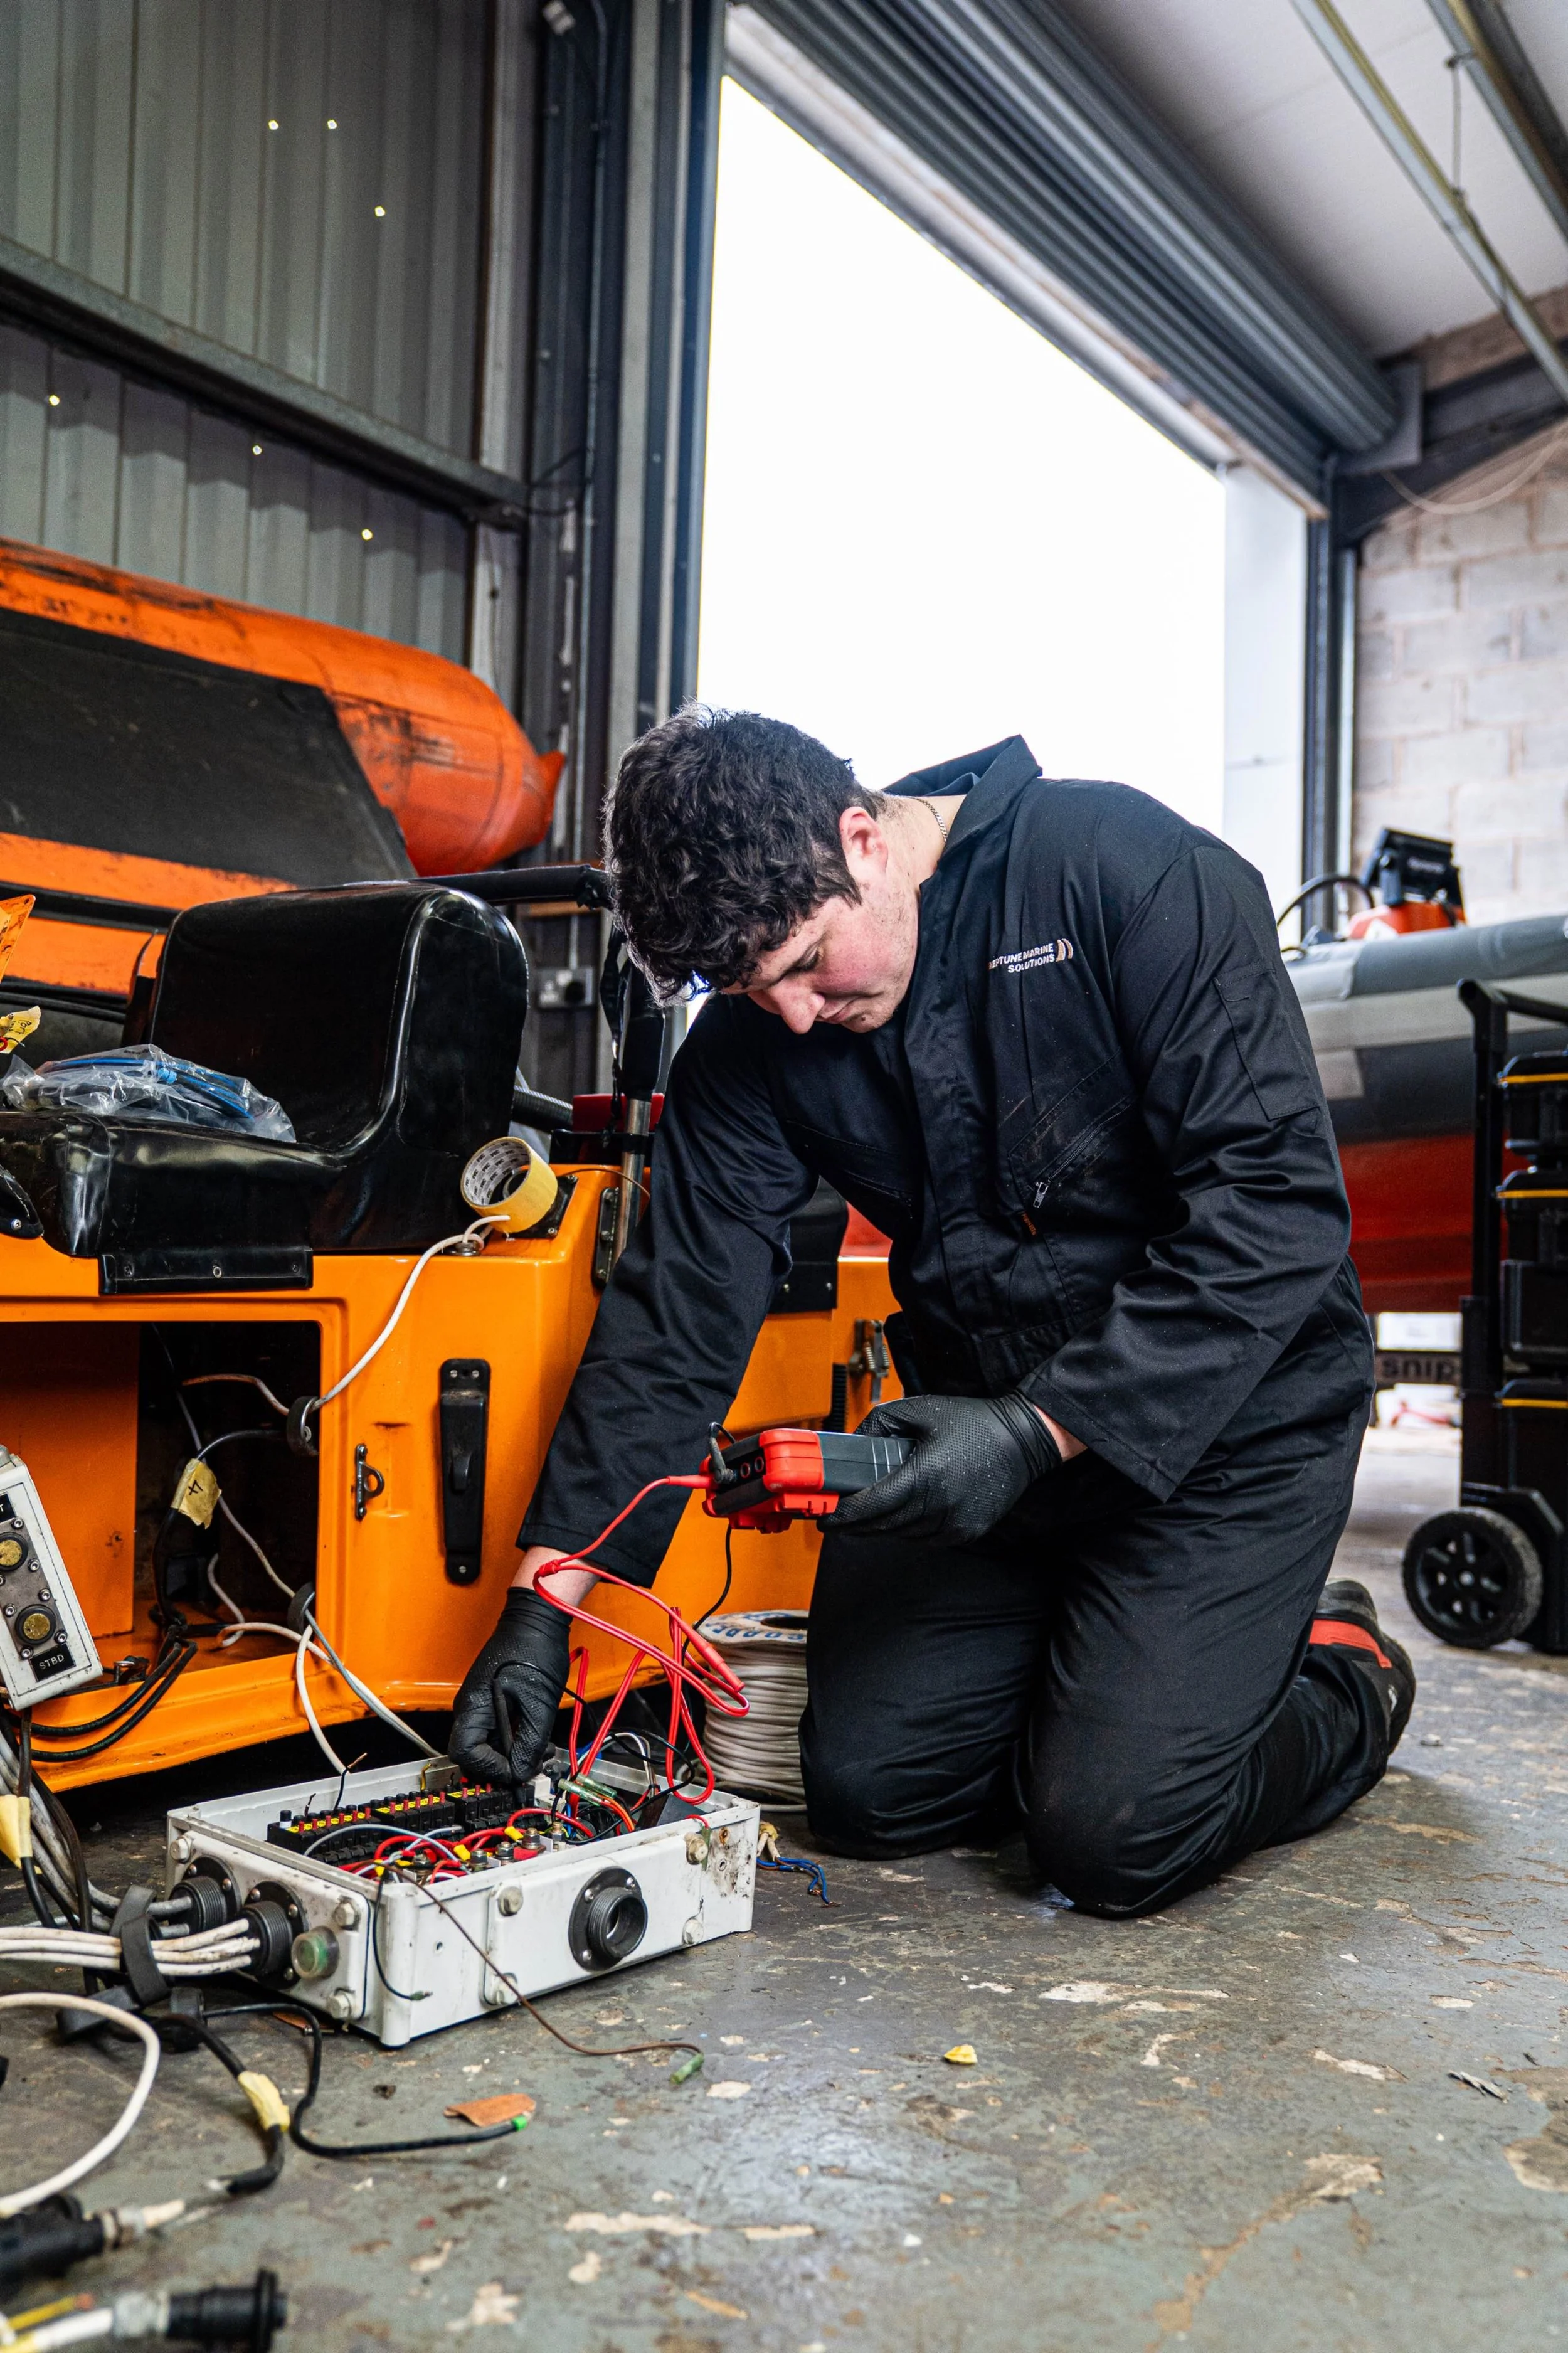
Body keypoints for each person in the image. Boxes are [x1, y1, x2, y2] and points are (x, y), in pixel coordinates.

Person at [450, 710, 1407, 1917]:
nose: (791, 1013)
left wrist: (1035, 1430)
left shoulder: (1131, 874)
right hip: (982, 1446)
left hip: (1227, 1427)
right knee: (867, 1793)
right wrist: (544, 1603)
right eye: (751, 990)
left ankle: (1337, 1669)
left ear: (861, 839)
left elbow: (1276, 1215)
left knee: (1114, 1835)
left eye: (802, 962)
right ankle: (1116, 1675)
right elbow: (674, 1320)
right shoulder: (758, 1035)